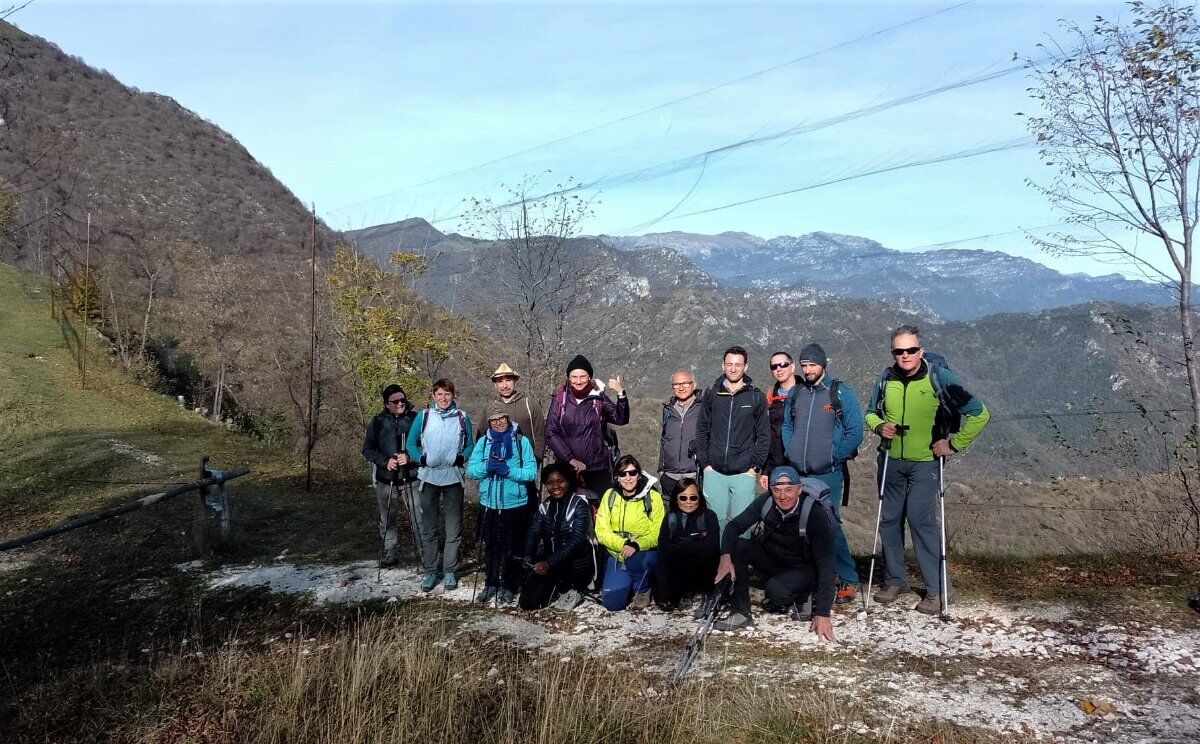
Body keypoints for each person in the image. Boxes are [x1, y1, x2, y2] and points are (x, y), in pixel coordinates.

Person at [864, 325, 990, 614]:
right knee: (889, 520)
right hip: (890, 459)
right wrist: (879, 426)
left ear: (920, 350)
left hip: (926, 462)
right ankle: (895, 581)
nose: (905, 355)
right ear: (893, 353)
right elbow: (870, 413)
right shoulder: (885, 379)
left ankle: (938, 590)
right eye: (899, 351)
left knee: (921, 520)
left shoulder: (939, 377)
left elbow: (980, 414)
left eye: (911, 350)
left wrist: (954, 444)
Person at [712, 466, 837, 641]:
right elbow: (734, 526)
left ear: (799, 490)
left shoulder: (814, 513)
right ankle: (741, 611)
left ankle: (806, 594)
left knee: (775, 592)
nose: (783, 496)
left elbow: (827, 564)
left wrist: (823, 613)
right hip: (775, 559)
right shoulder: (767, 502)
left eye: (789, 489)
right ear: (771, 490)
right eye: (777, 490)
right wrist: (725, 557)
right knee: (739, 546)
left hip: (805, 568)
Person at [781, 343, 864, 605]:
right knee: (800, 527)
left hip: (828, 473)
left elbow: (855, 431)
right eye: (804, 365)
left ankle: (848, 578)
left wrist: (833, 456)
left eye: (812, 365)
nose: (808, 370)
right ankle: (813, 577)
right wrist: (791, 450)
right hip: (799, 472)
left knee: (829, 526)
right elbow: (787, 425)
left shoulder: (839, 392)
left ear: (823, 365)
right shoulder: (797, 393)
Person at [406, 378, 475, 593]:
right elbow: (410, 443)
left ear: (453, 395)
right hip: (429, 477)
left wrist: (462, 457)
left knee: (453, 527)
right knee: (429, 527)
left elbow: (470, 444)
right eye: (439, 394)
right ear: (433, 396)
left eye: (447, 394)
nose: (443, 398)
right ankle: (431, 571)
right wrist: (420, 458)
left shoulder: (462, 417)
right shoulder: (424, 416)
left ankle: (449, 570)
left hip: (453, 477)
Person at [466, 402, 538, 604]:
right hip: (489, 502)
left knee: (512, 547)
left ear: (508, 419)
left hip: (515, 503)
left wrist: (508, 471)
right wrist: (487, 466)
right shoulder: (483, 442)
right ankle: (491, 583)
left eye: (502, 419)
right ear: (489, 423)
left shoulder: (521, 441)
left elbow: (531, 472)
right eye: (494, 420)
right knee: (491, 545)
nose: (498, 423)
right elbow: (471, 470)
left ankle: (509, 585)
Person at [694, 345, 769, 533]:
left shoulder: (756, 397)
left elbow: (763, 435)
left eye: (738, 364)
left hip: (744, 472)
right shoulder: (712, 394)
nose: (733, 369)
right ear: (723, 366)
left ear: (746, 367)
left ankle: (739, 554)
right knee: (714, 524)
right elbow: (702, 429)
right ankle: (717, 554)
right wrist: (705, 464)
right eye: (729, 364)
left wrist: (754, 467)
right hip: (714, 471)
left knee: (742, 525)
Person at [544, 354, 630, 499]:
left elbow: (620, 418)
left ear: (589, 377)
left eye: (582, 376)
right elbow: (551, 433)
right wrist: (570, 459)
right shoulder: (560, 399)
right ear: (568, 378)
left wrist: (621, 393)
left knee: (603, 508)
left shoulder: (598, 396)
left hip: (598, 468)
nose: (578, 381)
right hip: (568, 469)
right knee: (571, 509)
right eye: (574, 377)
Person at [521, 462, 596, 613]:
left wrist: (549, 563)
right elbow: (534, 532)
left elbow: (576, 541)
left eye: (560, 481)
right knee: (528, 602)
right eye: (550, 483)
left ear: (568, 481)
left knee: (568, 578)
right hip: (553, 563)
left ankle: (577, 590)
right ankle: (557, 588)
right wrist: (528, 555)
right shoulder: (545, 505)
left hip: (576, 564)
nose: (555, 487)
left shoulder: (579, 505)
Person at [595, 454, 665, 611]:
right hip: (617, 553)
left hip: (643, 551)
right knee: (613, 603)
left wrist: (637, 544)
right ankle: (632, 582)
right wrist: (623, 544)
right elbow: (601, 530)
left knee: (639, 560)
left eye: (632, 473)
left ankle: (643, 588)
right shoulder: (610, 495)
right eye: (622, 473)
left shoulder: (652, 497)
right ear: (617, 477)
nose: (628, 478)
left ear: (639, 475)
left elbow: (658, 531)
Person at [361, 384, 419, 567]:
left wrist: (409, 457)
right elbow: (367, 449)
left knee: (419, 516)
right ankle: (391, 551)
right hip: (386, 479)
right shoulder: (378, 421)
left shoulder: (415, 419)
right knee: (387, 519)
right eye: (395, 401)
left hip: (412, 477)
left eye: (403, 400)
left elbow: (425, 445)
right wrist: (385, 461)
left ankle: (425, 551)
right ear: (387, 404)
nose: (400, 403)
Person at [481, 363, 546, 506]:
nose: (505, 385)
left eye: (508, 380)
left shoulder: (530, 405)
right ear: (495, 385)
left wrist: (534, 463)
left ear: (515, 381)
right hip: (496, 471)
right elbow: (482, 438)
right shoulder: (490, 408)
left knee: (527, 510)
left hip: (524, 470)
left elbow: (540, 437)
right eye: (500, 381)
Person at [654, 478, 720, 612]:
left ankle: (697, 591)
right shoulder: (671, 518)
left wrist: (682, 545)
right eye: (683, 498)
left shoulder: (708, 516)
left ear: (699, 498)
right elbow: (662, 550)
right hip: (677, 567)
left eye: (693, 497)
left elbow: (712, 547)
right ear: (676, 499)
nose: (688, 502)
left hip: (703, 567)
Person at [657, 370, 703, 504]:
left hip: (695, 476)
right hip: (669, 477)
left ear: (694, 385)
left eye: (685, 383)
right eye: (676, 384)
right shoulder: (668, 409)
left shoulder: (703, 408)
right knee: (671, 515)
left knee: (696, 514)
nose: (681, 387)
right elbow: (664, 439)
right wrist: (661, 470)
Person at [761, 351, 797, 484]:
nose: (778, 369)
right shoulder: (770, 398)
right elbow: (768, 434)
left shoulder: (807, 394)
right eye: (774, 366)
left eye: (783, 364)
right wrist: (765, 471)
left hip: (802, 468)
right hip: (776, 468)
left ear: (792, 367)